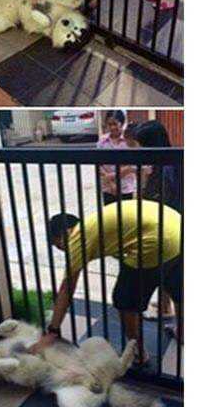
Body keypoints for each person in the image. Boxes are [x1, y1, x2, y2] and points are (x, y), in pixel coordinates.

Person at [31, 200, 182, 365]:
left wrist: (52, 331)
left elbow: (67, 290)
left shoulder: (77, 239)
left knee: (125, 301)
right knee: (175, 284)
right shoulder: (95, 225)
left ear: (65, 233)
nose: (62, 250)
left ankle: (137, 352)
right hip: (177, 228)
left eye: (57, 245)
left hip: (155, 240)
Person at [124, 120, 182, 319]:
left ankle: (179, 326)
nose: (140, 152)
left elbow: (158, 203)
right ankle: (165, 307)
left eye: (142, 147)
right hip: (172, 228)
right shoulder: (170, 159)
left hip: (169, 229)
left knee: (171, 276)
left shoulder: (164, 170)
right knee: (169, 274)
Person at [97, 110, 136, 204]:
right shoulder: (102, 141)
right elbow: (98, 163)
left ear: (122, 123)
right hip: (108, 188)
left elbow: (132, 165)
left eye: (115, 124)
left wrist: (112, 176)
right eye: (109, 124)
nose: (112, 127)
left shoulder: (129, 141)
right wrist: (111, 183)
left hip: (125, 187)